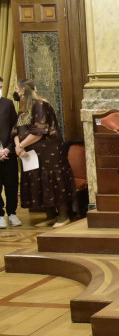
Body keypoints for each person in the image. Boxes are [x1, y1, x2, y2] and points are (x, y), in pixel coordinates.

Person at [12, 79, 75, 228]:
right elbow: (15, 130)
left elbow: (39, 131)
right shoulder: (23, 109)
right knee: (39, 182)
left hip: (49, 153)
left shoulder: (40, 105)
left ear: (23, 91)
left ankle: (63, 216)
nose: (15, 92)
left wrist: (20, 146)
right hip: (31, 154)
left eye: (16, 89)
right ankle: (50, 216)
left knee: (53, 181)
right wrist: (17, 147)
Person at [0, 76, 21, 228]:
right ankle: (0, 215)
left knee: (11, 183)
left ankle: (12, 213)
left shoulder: (7, 104)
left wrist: (8, 148)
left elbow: (14, 128)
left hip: (9, 151)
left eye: (1, 87)